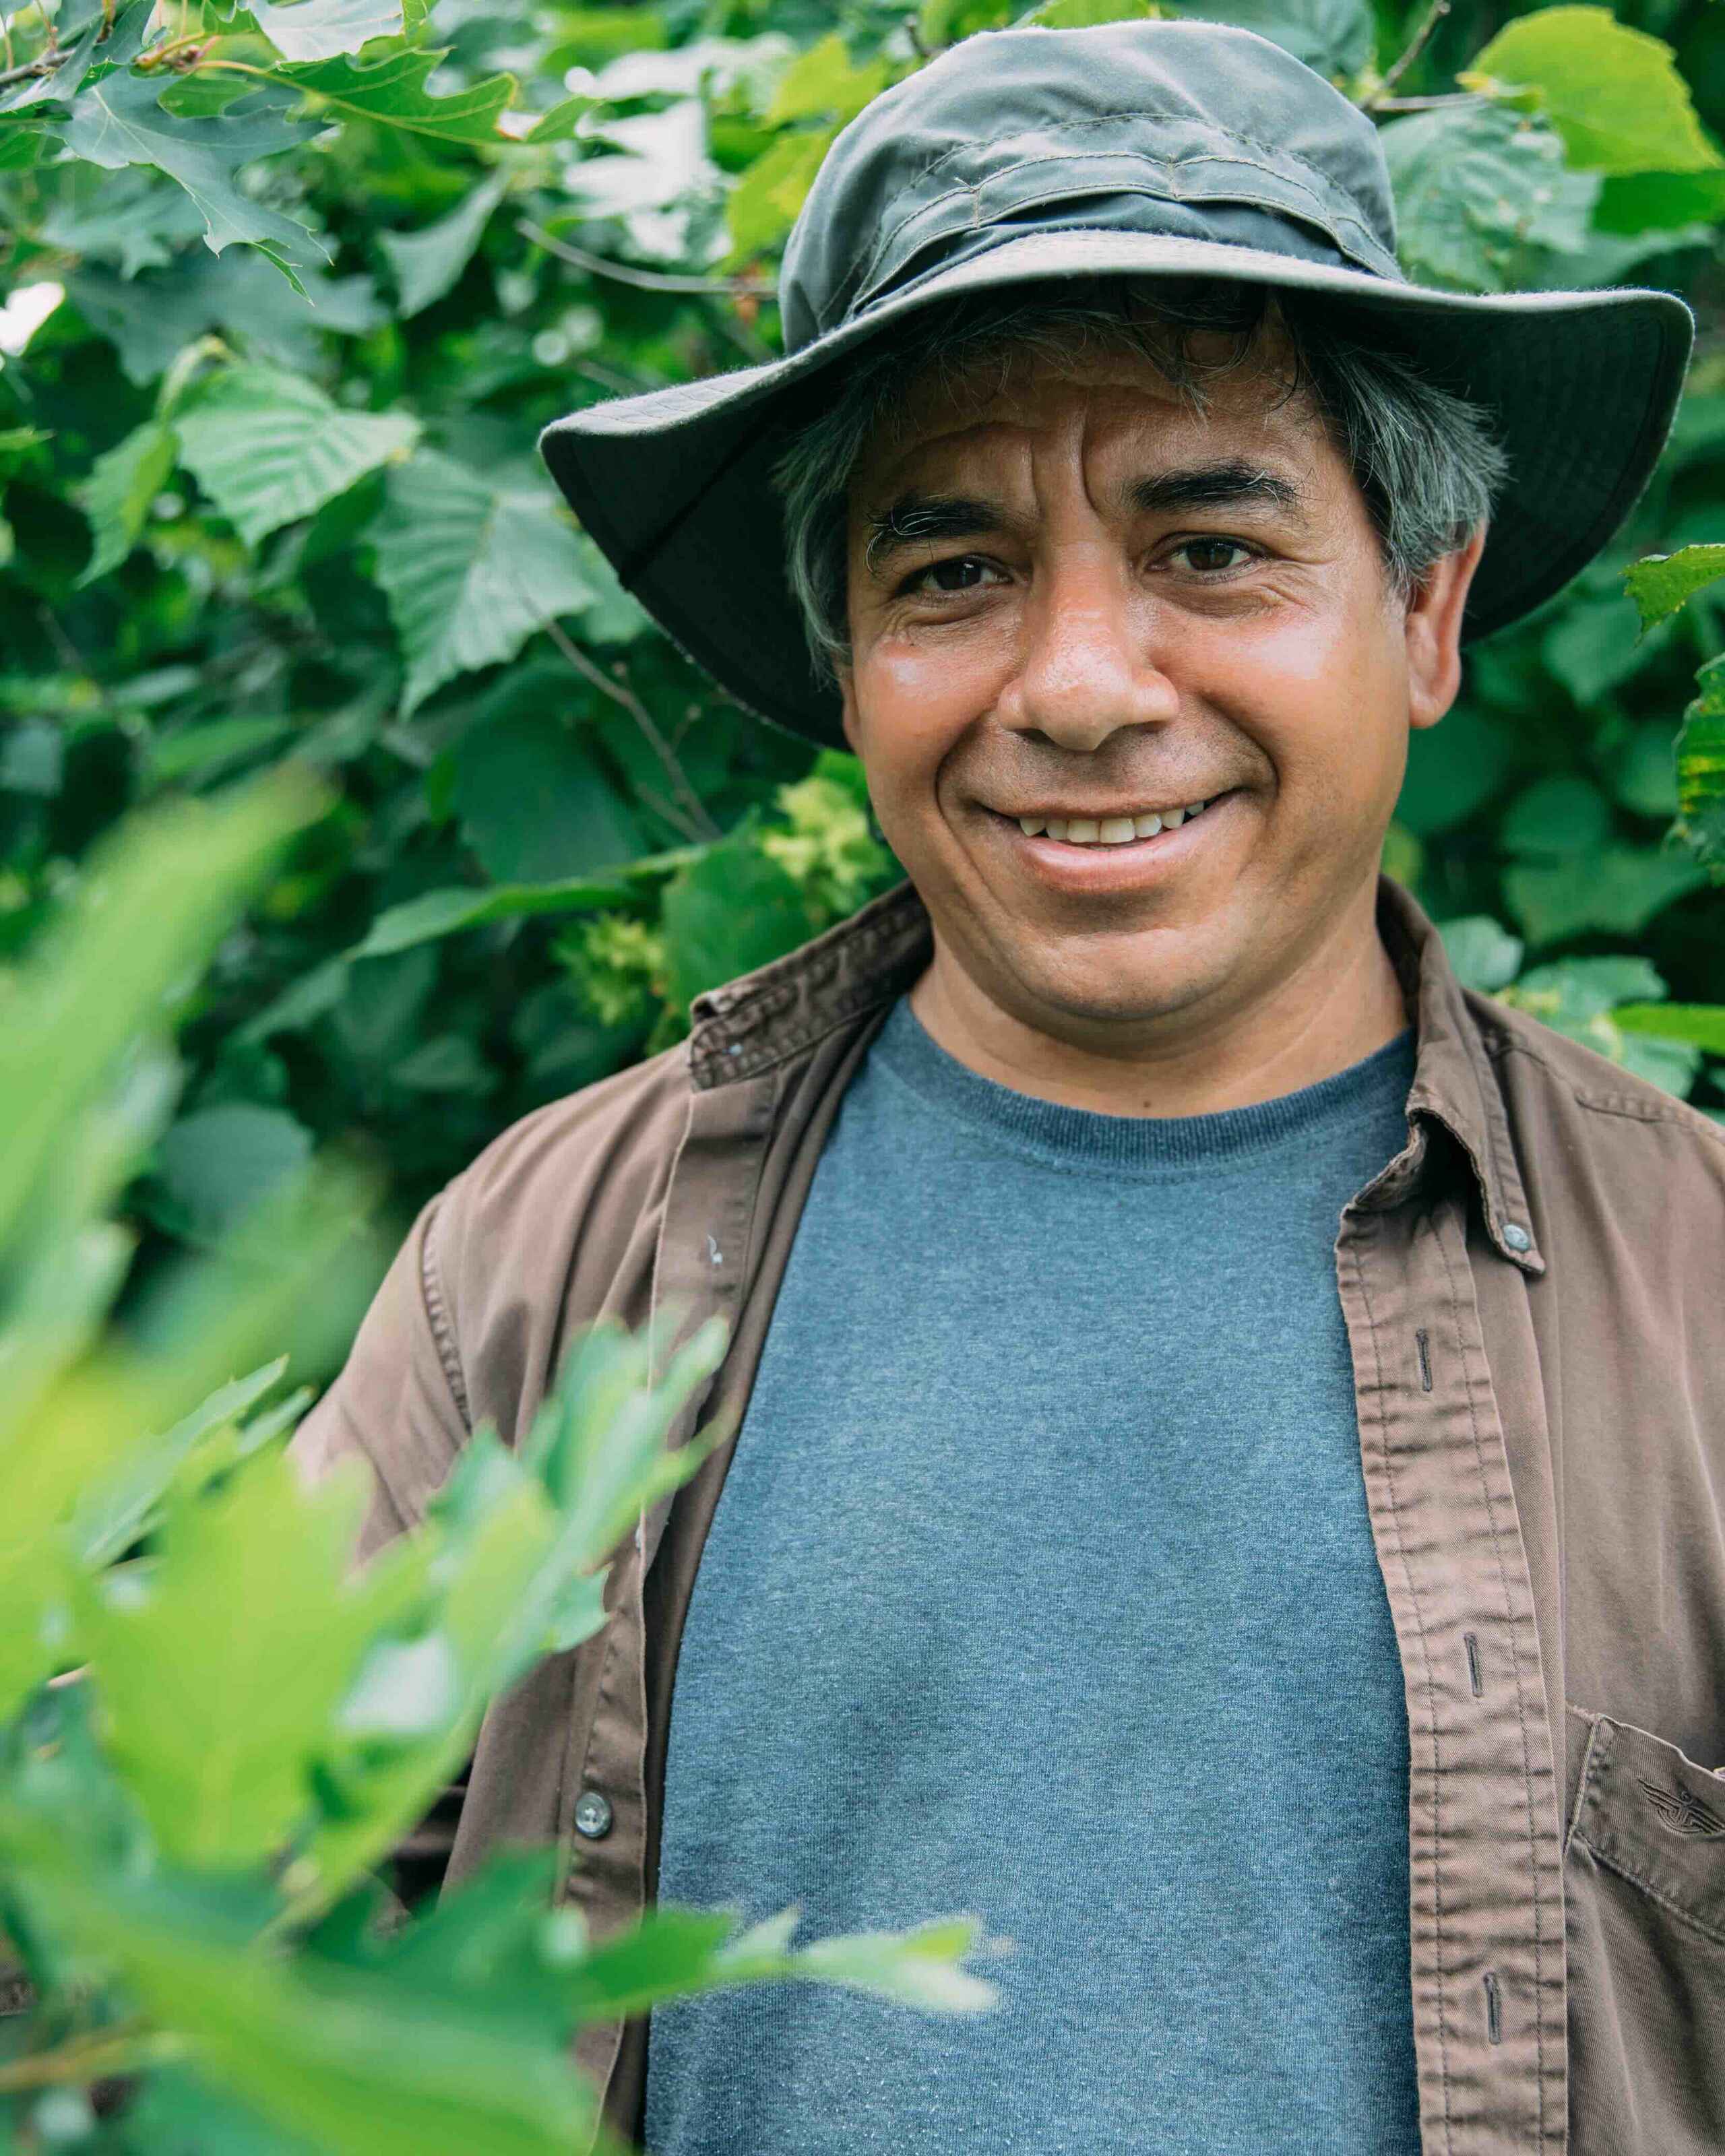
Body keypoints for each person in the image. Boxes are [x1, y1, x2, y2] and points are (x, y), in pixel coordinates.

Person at [290, 18, 1725, 2154]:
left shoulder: (1698, 1297)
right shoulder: (543, 1266)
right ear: (847, 660)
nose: (1075, 685)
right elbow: (167, 1917)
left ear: (1424, 616)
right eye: (951, 571)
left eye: (1211, 549)